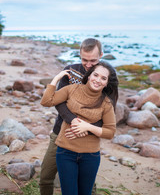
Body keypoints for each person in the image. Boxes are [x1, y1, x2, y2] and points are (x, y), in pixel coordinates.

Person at [39, 38, 113, 195]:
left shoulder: (106, 76)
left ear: (101, 55)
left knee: (88, 186)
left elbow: (107, 108)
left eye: (93, 60)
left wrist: (87, 128)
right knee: (45, 176)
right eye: (84, 60)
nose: (88, 65)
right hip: (61, 131)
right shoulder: (70, 71)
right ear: (79, 54)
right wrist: (73, 121)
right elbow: (59, 102)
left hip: (89, 137)